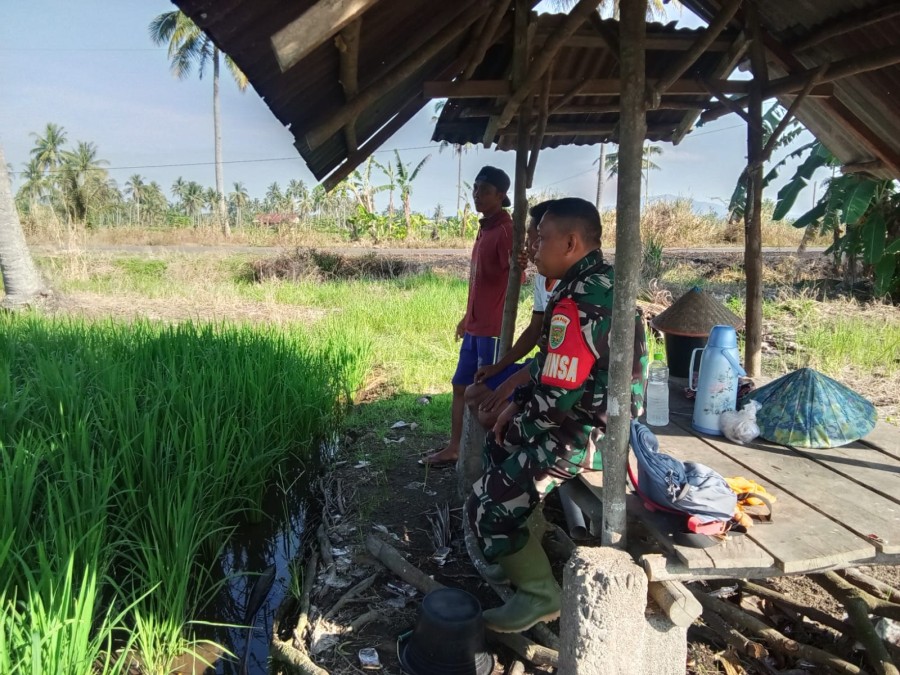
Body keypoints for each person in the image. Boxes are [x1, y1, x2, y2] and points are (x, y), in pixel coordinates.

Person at [466, 197, 649, 633]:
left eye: (541, 238)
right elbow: (550, 367)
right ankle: (516, 545)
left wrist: (516, 424)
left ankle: (539, 595)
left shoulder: (579, 300)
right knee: (499, 448)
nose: (533, 247)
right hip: (586, 418)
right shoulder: (593, 281)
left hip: (588, 433)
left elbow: (555, 400)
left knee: (485, 504)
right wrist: (515, 405)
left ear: (571, 243)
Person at [420, 166, 516, 468]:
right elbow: (480, 283)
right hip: (475, 326)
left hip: (492, 330)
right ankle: (455, 448)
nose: (476, 195)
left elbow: (517, 276)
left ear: (501, 195)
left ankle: (491, 453)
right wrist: (466, 317)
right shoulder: (485, 228)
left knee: (484, 392)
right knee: (460, 386)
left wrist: (520, 262)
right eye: (475, 188)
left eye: (484, 191)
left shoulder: (505, 231)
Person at [464, 201, 559, 430]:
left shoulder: (573, 287)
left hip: (555, 372)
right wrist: (500, 366)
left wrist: (506, 387)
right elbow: (534, 330)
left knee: (490, 413)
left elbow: (555, 358)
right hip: (540, 364)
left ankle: (519, 444)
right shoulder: (542, 279)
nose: (528, 246)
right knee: (472, 393)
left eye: (535, 239)